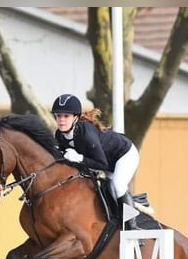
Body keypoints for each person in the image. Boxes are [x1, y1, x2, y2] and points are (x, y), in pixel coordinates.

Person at [51, 93, 141, 230]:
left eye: (66, 116)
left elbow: (102, 164)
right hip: (106, 161)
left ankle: (132, 227)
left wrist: (79, 158)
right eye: (58, 116)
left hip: (124, 154)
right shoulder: (59, 135)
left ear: (75, 117)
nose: (61, 120)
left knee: (117, 184)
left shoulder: (85, 133)